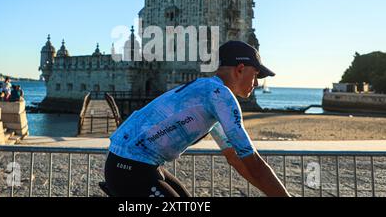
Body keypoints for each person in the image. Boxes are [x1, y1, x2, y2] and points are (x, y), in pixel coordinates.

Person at [103, 41, 291, 197]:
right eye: (256, 75)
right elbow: (254, 163)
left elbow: (235, 158)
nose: (257, 83)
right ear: (240, 69)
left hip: (136, 164)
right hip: (130, 168)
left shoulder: (208, 92)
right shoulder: (220, 95)